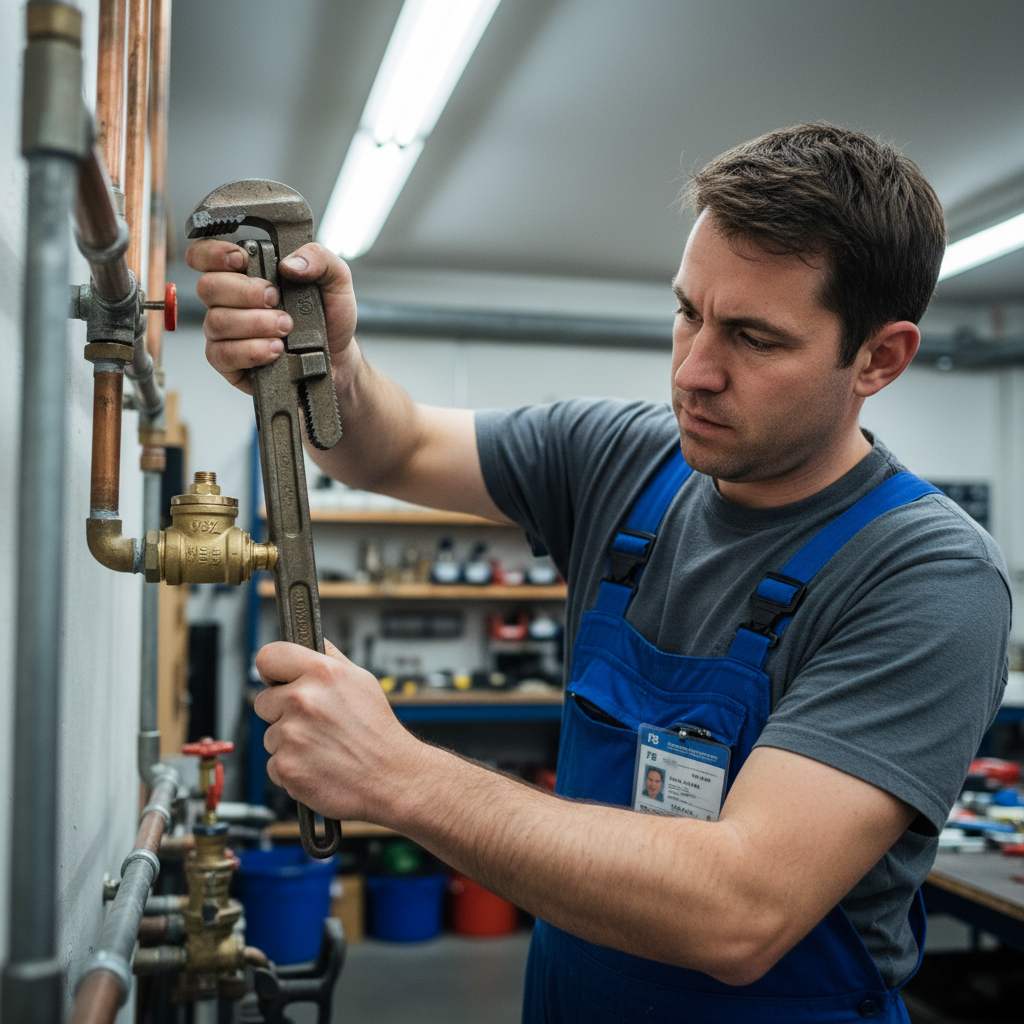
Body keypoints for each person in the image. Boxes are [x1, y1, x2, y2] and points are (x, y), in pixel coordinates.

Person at [188, 123, 1010, 1023]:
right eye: (689, 311)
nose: (695, 371)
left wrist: (398, 776)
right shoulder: (620, 458)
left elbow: (740, 911)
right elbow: (397, 446)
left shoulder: (928, 577)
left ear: (879, 359)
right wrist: (329, 362)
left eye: (755, 338)